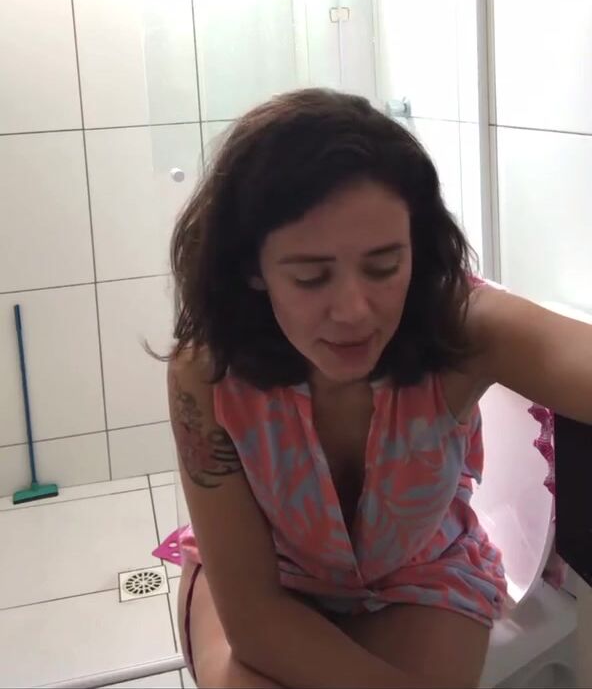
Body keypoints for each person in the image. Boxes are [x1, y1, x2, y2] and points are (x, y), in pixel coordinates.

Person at [167, 89, 592, 689]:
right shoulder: (207, 373)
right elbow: (256, 619)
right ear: (252, 269)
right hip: (267, 582)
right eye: (310, 277)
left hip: (421, 571)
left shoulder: (463, 324)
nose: (353, 311)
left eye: (384, 266)